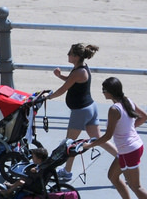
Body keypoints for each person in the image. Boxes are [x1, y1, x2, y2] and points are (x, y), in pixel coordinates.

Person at [46, 42, 117, 181]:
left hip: (81, 111)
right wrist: (60, 76)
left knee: (70, 143)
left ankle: (67, 172)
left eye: (70, 53)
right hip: (90, 108)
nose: (68, 55)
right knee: (99, 139)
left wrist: (48, 97)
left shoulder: (79, 71)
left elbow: (63, 89)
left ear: (76, 57)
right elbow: (71, 80)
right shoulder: (81, 69)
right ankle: (123, 160)